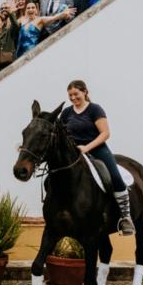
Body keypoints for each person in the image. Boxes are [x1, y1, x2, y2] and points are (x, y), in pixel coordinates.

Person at [60, 80, 134, 235]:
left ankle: (126, 218)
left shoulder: (95, 109)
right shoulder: (67, 113)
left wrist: (86, 148)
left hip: (97, 149)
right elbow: (61, 135)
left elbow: (105, 133)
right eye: (70, 95)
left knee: (115, 177)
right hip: (75, 152)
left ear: (85, 92)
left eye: (76, 94)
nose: (73, 98)